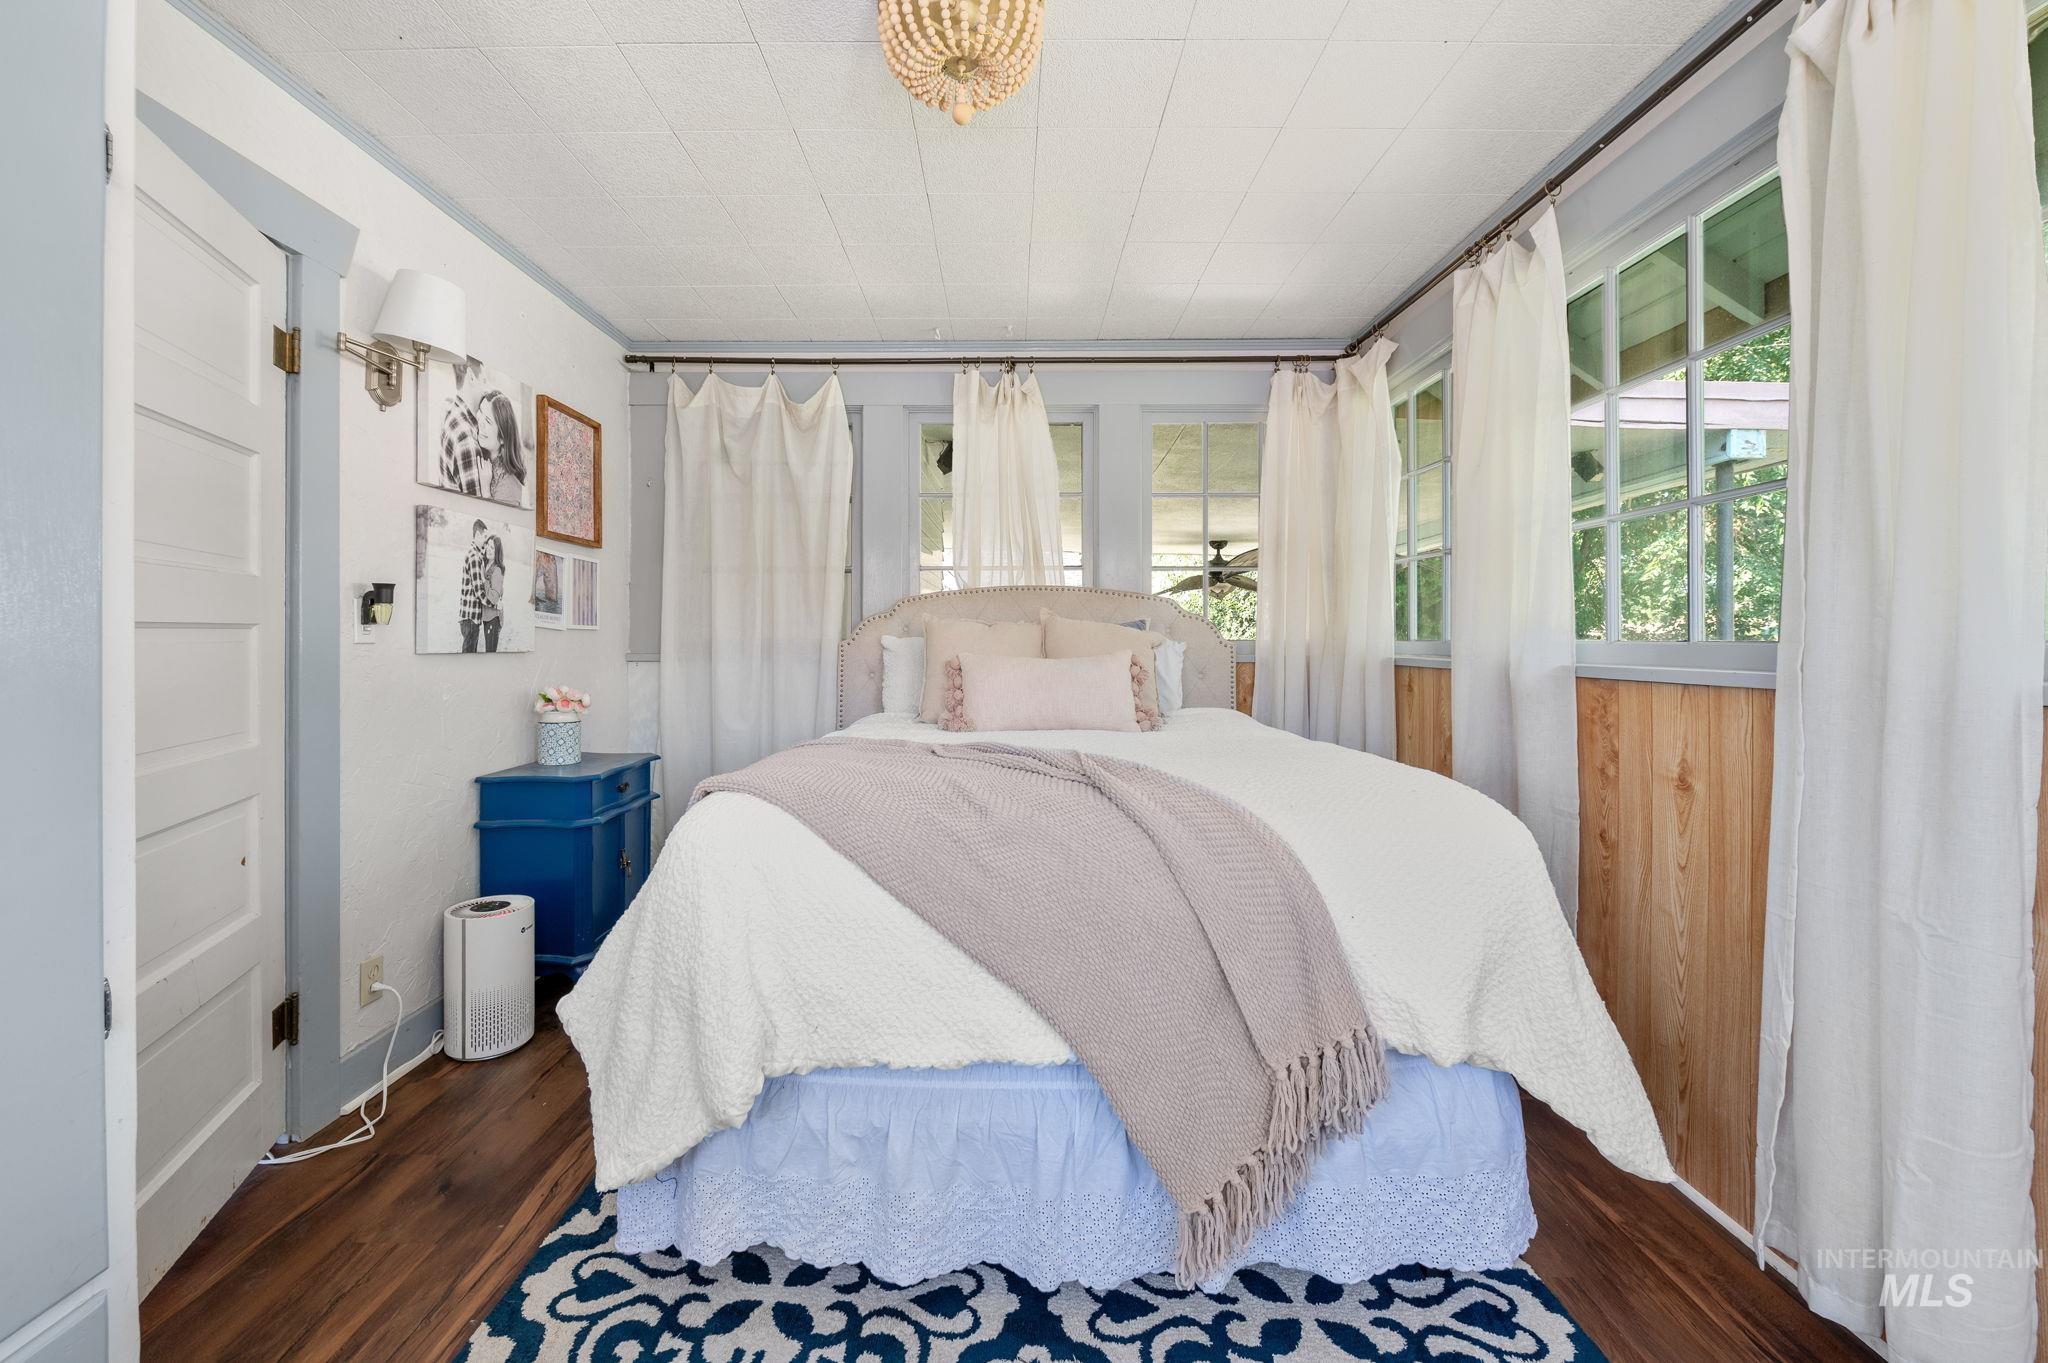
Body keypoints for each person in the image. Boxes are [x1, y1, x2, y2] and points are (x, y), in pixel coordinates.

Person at [439, 361, 487, 497]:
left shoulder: (452, 413)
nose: (487, 389)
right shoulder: (466, 438)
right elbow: (477, 506)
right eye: (484, 381)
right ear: (471, 377)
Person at [479, 390, 526, 505]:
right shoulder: (479, 452)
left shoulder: (509, 484)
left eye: (488, 421)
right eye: (480, 412)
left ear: (502, 438)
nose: (480, 423)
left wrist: (485, 490)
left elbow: (497, 516)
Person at [457, 518, 492, 652]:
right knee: (468, 657)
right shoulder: (474, 557)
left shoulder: (475, 554)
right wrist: (494, 605)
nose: (486, 541)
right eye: (485, 537)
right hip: (471, 618)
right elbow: (479, 592)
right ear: (477, 535)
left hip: (469, 617)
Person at [479, 535, 506, 653]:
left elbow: (494, 598)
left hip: (494, 618)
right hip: (487, 615)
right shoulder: (485, 564)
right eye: (488, 546)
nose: (489, 550)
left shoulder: (497, 570)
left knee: (490, 652)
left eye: (492, 548)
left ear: (497, 552)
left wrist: (483, 580)